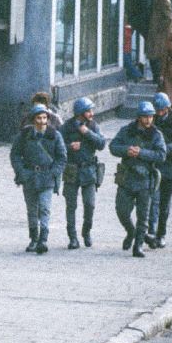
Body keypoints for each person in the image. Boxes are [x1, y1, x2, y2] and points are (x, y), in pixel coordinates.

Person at [109, 101, 166, 258]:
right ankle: (131, 231)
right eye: (145, 117)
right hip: (127, 177)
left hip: (145, 179)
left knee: (143, 215)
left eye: (151, 117)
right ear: (139, 117)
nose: (148, 120)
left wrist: (141, 153)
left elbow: (161, 155)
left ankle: (138, 245)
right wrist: (126, 151)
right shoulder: (127, 131)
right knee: (122, 210)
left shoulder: (156, 135)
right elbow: (113, 147)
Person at [10, 104, 67, 254]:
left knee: (45, 208)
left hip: (47, 176)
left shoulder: (55, 135)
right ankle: (33, 238)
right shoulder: (24, 135)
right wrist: (21, 172)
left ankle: (43, 239)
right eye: (39, 118)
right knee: (31, 210)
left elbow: (62, 157)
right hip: (29, 176)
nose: (42, 121)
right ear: (33, 120)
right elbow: (15, 155)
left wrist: (54, 173)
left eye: (44, 118)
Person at [60, 97, 106, 249]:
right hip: (71, 170)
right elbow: (57, 147)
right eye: (88, 111)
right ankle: (72, 237)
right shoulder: (66, 126)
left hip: (88, 170)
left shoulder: (93, 126)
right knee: (71, 205)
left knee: (90, 204)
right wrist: (69, 147)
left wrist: (87, 133)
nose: (92, 113)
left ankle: (86, 232)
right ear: (80, 113)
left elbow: (101, 144)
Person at [146, 93, 172, 250]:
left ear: (167, 108)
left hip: (170, 168)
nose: (158, 113)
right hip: (155, 166)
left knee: (164, 204)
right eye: (157, 110)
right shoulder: (151, 119)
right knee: (153, 200)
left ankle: (161, 233)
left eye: (162, 110)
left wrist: (166, 148)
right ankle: (151, 232)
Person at [144, 0, 172, 86]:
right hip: (156, 33)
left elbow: (169, 18)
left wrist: (159, 30)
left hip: (161, 35)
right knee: (153, 55)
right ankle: (157, 78)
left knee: (157, 56)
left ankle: (159, 79)